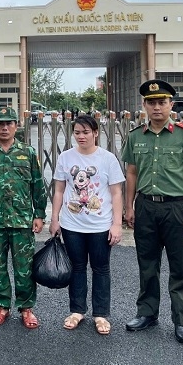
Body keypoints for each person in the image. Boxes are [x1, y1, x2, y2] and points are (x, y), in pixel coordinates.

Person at [120, 80, 183, 344]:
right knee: (147, 265)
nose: (156, 107)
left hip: (177, 208)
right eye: (151, 102)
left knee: (180, 266)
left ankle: (181, 320)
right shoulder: (136, 136)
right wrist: (129, 206)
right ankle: (147, 313)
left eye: (162, 102)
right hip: (146, 207)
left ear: (171, 104)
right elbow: (131, 173)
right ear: (144, 106)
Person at [0, 106, 47, 329]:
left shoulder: (28, 153)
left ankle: (26, 307)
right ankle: (2, 305)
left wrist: (39, 214)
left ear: (16, 126)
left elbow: (38, 185)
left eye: (9, 123)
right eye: (0, 123)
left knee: (24, 266)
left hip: (22, 220)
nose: (5, 127)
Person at [49, 114, 124, 335]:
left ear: (95, 133)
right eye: (77, 132)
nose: (81, 136)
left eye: (86, 132)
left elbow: (116, 192)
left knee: (101, 268)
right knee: (77, 267)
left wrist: (117, 224)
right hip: (72, 224)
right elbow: (60, 190)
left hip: (100, 224)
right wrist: (55, 219)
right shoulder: (66, 157)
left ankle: (101, 314)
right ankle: (77, 310)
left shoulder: (107, 158)